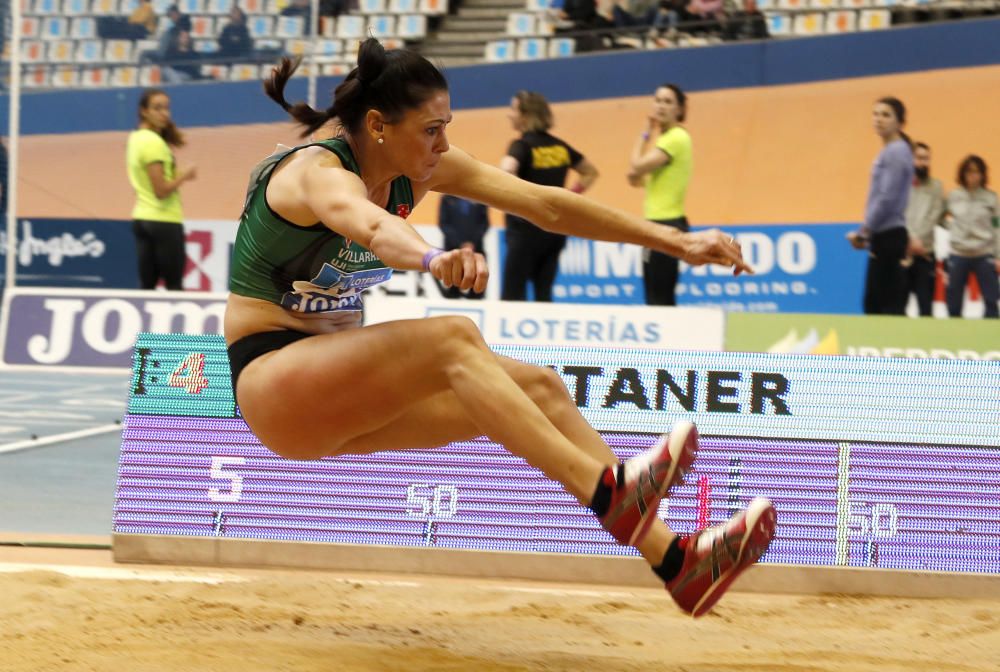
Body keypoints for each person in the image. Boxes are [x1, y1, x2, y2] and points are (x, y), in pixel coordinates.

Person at [225, 39, 773, 619]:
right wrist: (433, 258)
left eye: (446, 127)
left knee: (539, 387)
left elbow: (547, 206)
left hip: (342, 392)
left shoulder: (422, 166)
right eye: (431, 129)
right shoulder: (316, 173)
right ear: (379, 125)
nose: (443, 143)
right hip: (274, 381)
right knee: (450, 337)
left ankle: (677, 563)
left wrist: (677, 240)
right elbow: (371, 226)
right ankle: (612, 494)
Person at [499, 91, 599, 302]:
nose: (509, 115)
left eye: (513, 109)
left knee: (512, 296)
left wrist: (517, 201)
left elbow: (506, 171)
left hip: (524, 231)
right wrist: (569, 197)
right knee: (544, 295)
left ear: (525, 116)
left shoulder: (521, 146)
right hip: (554, 230)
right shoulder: (560, 147)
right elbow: (590, 172)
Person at [847, 96, 914, 315]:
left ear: (900, 122)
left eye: (886, 115)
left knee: (883, 306)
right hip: (883, 236)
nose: (879, 119)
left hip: (890, 236)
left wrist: (864, 232)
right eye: (876, 114)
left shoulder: (896, 151)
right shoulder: (889, 151)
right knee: (876, 302)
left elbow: (887, 198)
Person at [627, 83, 692, 306]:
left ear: (679, 110)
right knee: (653, 296)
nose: (661, 106)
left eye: (668, 101)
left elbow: (635, 166)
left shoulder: (676, 138)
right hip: (654, 225)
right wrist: (638, 171)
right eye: (658, 100)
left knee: (661, 298)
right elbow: (636, 178)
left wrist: (644, 132)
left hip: (667, 225)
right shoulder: (664, 140)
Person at [127, 89, 197, 290]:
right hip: (164, 221)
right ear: (144, 111)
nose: (164, 113)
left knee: (147, 288)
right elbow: (161, 191)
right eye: (157, 108)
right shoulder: (153, 143)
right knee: (174, 287)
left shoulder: (135, 139)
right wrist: (185, 175)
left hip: (141, 218)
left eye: (166, 108)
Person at [943, 155, 999, 318]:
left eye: (977, 172)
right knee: (953, 303)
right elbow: (939, 217)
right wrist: (952, 227)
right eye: (969, 172)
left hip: (984, 254)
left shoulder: (991, 197)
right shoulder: (954, 196)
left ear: (983, 175)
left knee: (991, 301)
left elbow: (997, 227)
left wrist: (998, 255)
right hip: (958, 254)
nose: (973, 176)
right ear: (963, 174)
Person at [903, 141, 945, 317]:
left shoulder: (936, 187)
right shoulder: (899, 185)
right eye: (919, 158)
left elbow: (934, 217)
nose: (924, 163)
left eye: (927, 159)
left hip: (925, 256)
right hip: (902, 257)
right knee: (896, 309)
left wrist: (916, 241)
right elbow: (896, 217)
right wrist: (908, 241)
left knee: (926, 309)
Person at [438, 194, 490, 299]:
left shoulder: (480, 198)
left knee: (477, 286)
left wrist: (472, 243)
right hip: (453, 249)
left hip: (476, 249)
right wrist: (460, 244)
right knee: (453, 284)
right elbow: (444, 224)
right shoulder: (447, 199)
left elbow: (484, 224)